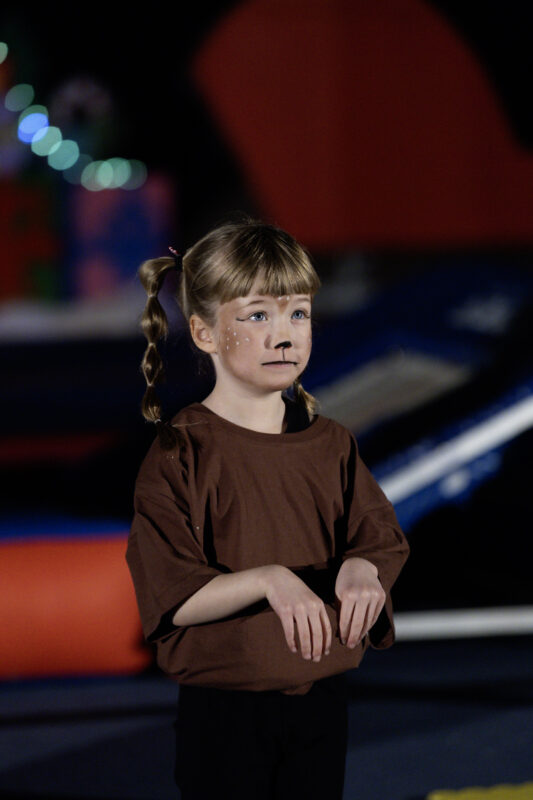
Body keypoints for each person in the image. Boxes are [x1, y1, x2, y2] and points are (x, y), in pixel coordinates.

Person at [126, 218, 409, 800]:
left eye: (298, 314)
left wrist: (364, 569)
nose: (284, 336)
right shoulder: (183, 453)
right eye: (257, 316)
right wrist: (269, 580)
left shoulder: (331, 444)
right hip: (226, 713)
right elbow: (172, 592)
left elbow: (378, 536)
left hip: (321, 703)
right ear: (204, 333)